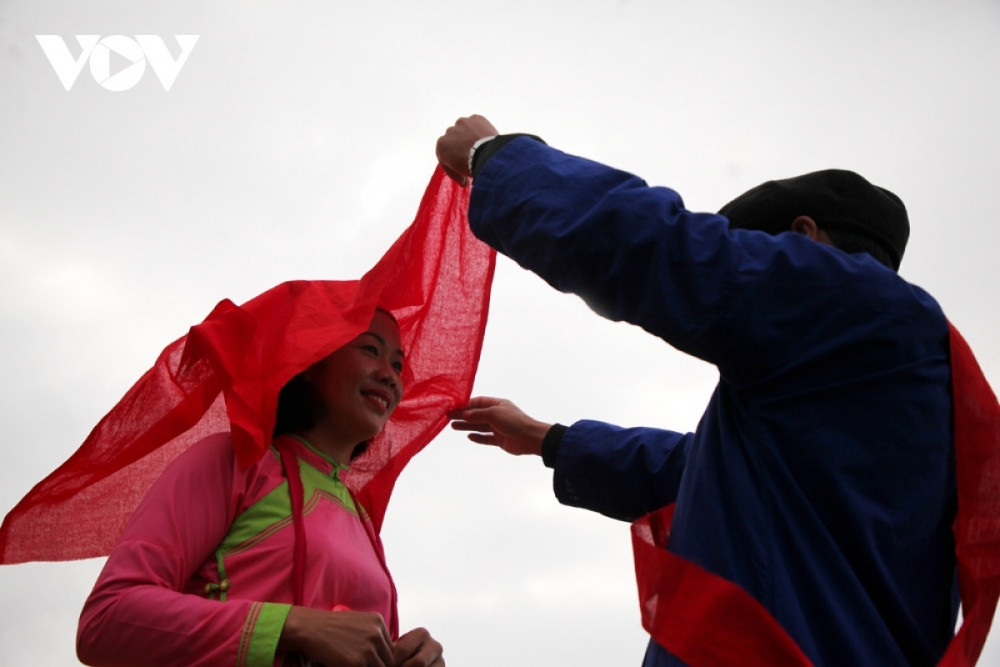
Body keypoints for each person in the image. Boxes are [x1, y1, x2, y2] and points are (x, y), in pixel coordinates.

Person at [437, 115, 998, 666]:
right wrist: (550, 440)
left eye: (752, 247)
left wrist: (496, 157)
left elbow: (659, 247)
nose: (745, 259)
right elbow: (701, 472)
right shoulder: (907, 376)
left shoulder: (835, 296)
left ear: (804, 239)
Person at [77, 309, 445, 667]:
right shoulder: (239, 463)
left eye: (397, 365)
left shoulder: (363, 523)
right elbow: (106, 620)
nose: (390, 376)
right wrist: (294, 626)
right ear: (312, 362)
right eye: (370, 350)